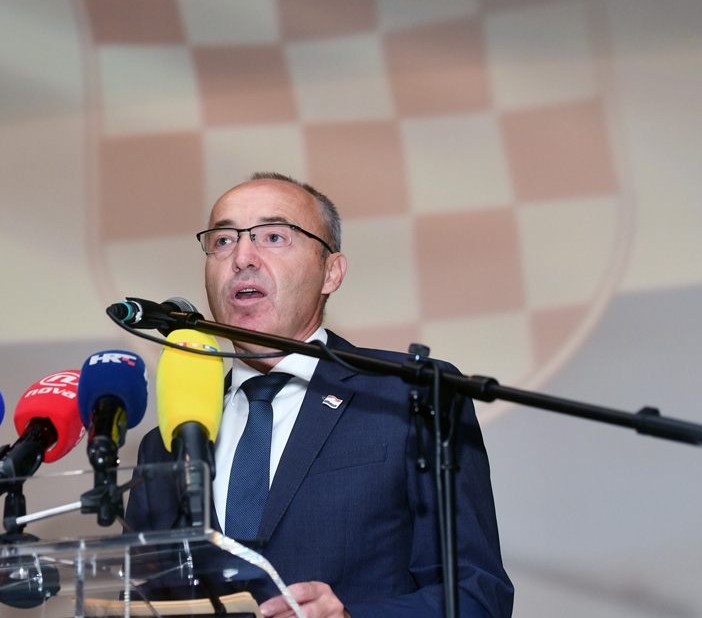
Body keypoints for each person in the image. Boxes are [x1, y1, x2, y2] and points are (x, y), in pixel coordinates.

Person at [126, 173, 513, 618]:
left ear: (332, 271)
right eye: (223, 241)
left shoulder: (411, 395)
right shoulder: (169, 441)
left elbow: (477, 595)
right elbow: (139, 598)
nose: (242, 258)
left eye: (273, 236)